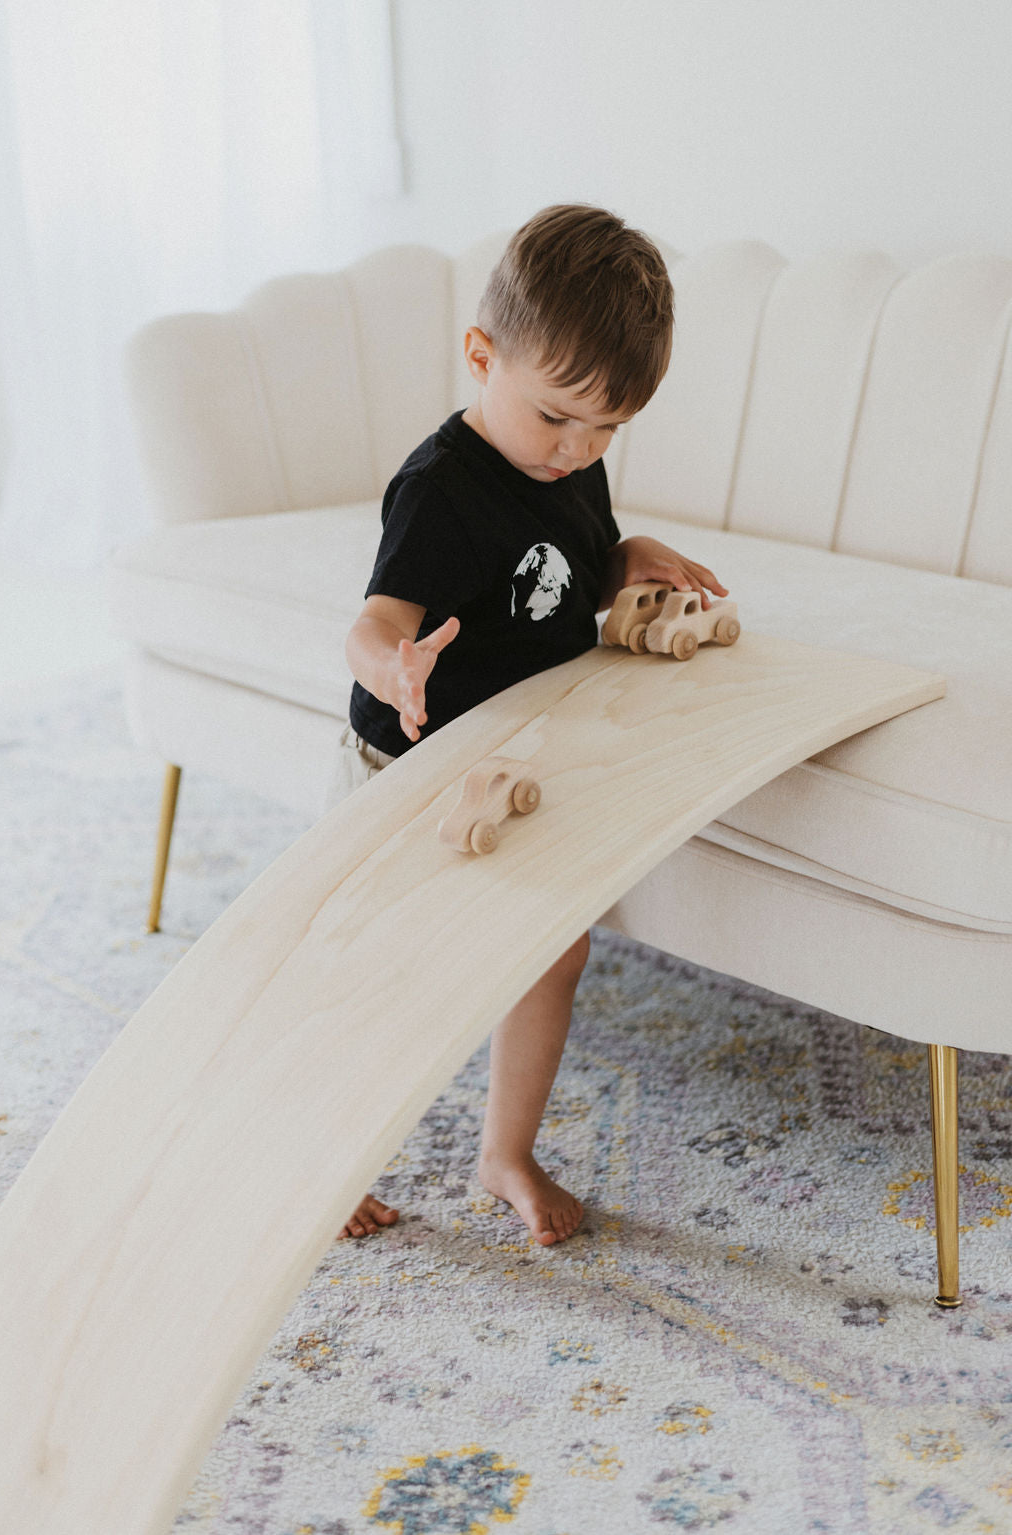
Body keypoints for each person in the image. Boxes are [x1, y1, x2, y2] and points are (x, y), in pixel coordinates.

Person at [337, 204, 727, 1246]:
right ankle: (337, 1156)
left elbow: (552, 586)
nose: (579, 448)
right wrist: (398, 664)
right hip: (411, 756)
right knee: (397, 965)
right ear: (481, 355)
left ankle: (504, 1149)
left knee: (552, 956)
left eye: (607, 427)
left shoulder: (572, 460)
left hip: (514, 757)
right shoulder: (437, 490)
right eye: (558, 417)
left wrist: (625, 553)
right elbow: (375, 623)